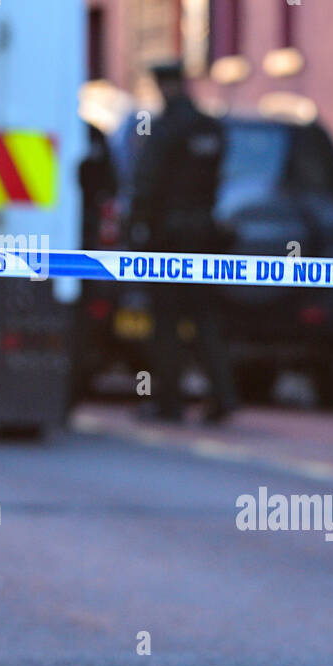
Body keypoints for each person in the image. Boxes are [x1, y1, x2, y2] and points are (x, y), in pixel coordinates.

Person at [128, 60, 237, 422]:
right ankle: (222, 397)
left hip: (169, 239)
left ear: (164, 86)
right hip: (203, 234)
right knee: (205, 319)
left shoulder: (166, 129)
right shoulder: (209, 127)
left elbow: (147, 183)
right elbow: (218, 179)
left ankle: (168, 401)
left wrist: (138, 227)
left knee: (167, 322)